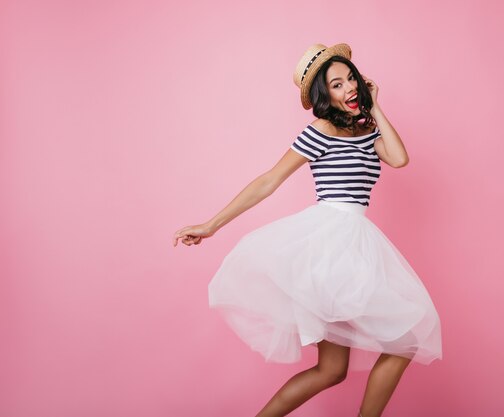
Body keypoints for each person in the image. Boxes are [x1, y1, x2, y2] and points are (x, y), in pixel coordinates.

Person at [173, 43, 442, 417]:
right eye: (337, 84)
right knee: (397, 343)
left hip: (356, 241)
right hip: (330, 247)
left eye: (351, 79)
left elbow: (399, 158)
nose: (348, 88)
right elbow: (269, 180)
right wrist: (211, 225)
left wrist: (376, 107)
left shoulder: (367, 132)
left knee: (333, 369)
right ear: (323, 95)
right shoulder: (320, 130)